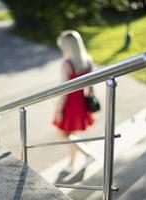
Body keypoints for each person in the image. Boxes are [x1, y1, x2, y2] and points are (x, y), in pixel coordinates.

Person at [53, 30, 96, 173]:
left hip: (70, 103)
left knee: (64, 135)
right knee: (73, 136)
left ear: (67, 46)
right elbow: (90, 87)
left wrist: (59, 111)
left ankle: (88, 154)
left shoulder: (67, 63)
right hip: (81, 102)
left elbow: (64, 92)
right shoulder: (87, 60)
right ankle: (71, 165)